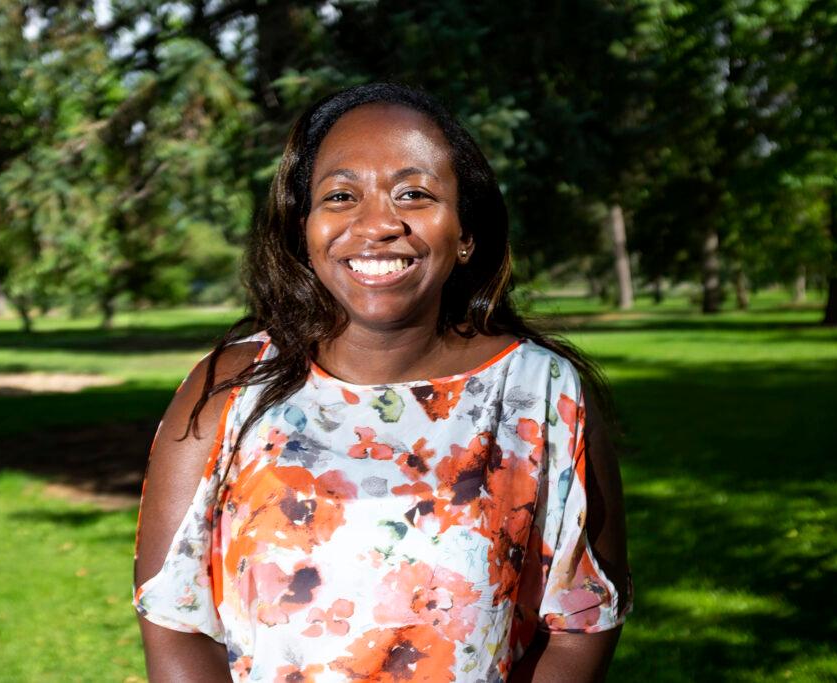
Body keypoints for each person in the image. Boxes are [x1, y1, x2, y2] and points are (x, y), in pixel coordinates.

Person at [133, 83, 632, 683]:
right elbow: (175, 624)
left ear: (465, 233)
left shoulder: (541, 394)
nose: (378, 224)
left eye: (414, 194)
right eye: (341, 196)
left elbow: (580, 628)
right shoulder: (229, 390)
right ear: (305, 231)